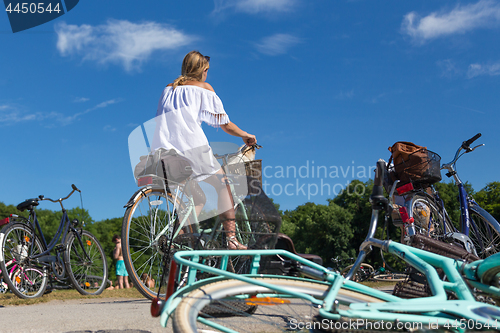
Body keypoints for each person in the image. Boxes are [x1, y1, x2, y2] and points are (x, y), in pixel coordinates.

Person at [152, 50, 256, 250]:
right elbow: (224, 124)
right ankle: (232, 240)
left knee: (196, 198)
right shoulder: (203, 88)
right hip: (192, 148)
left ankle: (179, 237)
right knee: (223, 185)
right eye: (207, 70)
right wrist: (245, 135)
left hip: (163, 151)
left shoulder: (167, 89)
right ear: (202, 70)